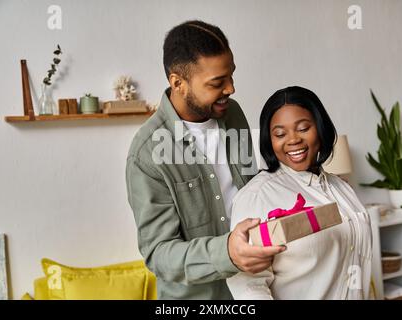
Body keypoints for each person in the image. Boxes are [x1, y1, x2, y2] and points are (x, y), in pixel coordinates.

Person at [126, 20, 285, 300]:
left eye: (231, 76)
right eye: (217, 83)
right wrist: (227, 254)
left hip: (256, 288)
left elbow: (251, 189)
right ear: (178, 83)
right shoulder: (147, 153)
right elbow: (159, 253)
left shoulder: (232, 114)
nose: (231, 89)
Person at [226, 86, 372, 300]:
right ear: (270, 140)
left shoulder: (341, 188)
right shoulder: (257, 196)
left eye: (303, 128)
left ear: (320, 129)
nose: (293, 139)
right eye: (280, 134)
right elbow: (248, 286)